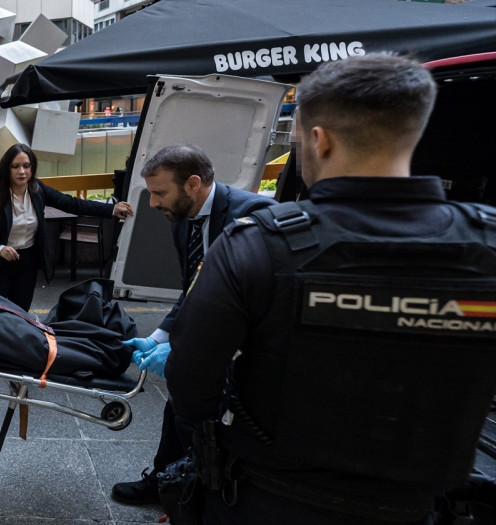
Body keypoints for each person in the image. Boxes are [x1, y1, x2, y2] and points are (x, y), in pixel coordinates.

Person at [166, 53, 496, 525]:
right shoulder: (487, 246)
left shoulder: (259, 244)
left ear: (318, 141)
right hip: (423, 504)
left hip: (268, 498)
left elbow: (191, 380)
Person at [111, 143, 273, 505]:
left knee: (214, 423)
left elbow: (260, 300)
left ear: (193, 184)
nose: (152, 203)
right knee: (180, 405)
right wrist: (160, 337)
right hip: (208, 341)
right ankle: (167, 481)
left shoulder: (255, 214)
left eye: (159, 192)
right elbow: (193, 289)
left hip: (247, 346)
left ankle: (205, 493)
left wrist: (196, 347)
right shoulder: (182, 219)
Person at [0, 143, 132, 310]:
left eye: (26, 166)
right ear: (7, 169)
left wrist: (112, 209)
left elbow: (72, 204)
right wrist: (0, 248)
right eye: (15, 166)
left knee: (21, 312)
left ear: (32, 168)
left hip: (27, 262)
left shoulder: (37, 190)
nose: (22, 171)